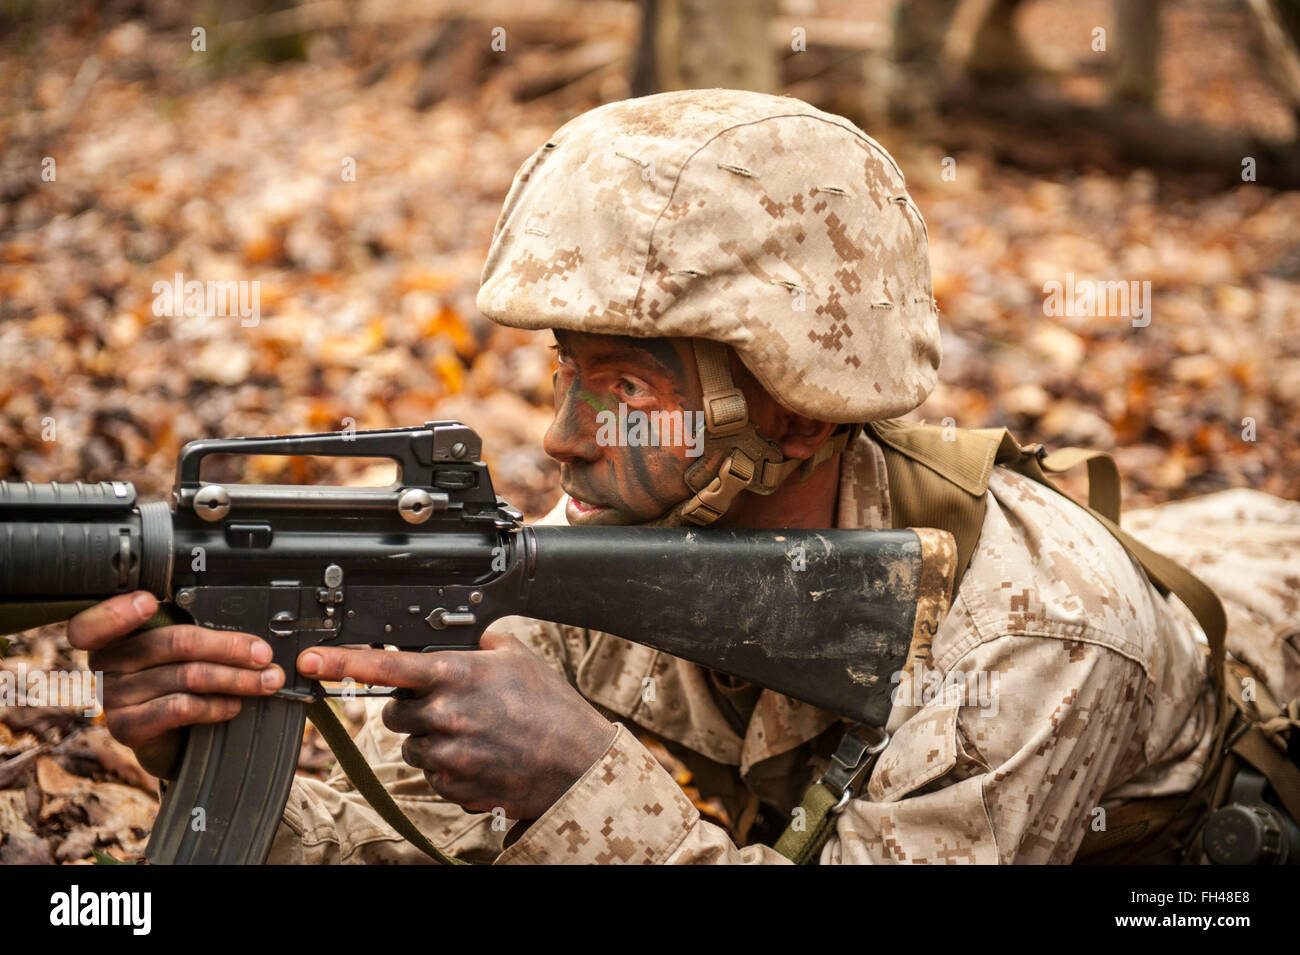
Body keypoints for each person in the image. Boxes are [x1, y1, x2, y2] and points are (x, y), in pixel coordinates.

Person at [68, 89, 1296, 864]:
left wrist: (581, 786)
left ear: (797, 416)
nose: (560, 437)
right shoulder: (602, 544)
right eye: (565, 373)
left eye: (627, 389)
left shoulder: (1040, 632)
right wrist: (205, 754)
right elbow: (433, 846)